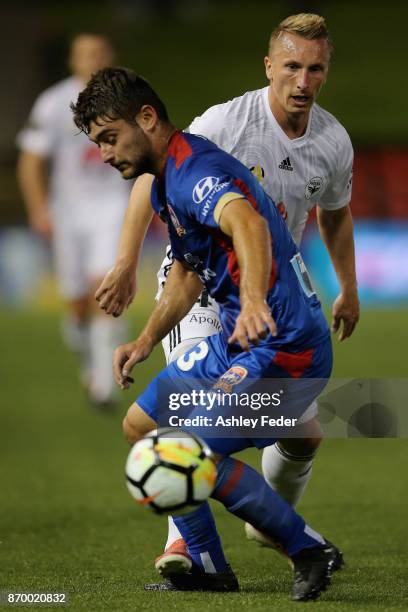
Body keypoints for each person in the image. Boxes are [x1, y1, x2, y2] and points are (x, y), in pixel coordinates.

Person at [94, 12, 359, 562]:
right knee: (184, 424)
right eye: (291, 66)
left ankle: (271, 525)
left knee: (303, 436)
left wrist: (347, 285)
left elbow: (334, 214)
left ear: (326, 71)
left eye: (315, 69)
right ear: (269, 66)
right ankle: (185, 546)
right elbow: (154, 173)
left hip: (270, 293)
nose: (303, 82)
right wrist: (125, 262)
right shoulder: (226, 124)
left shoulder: (333, 141)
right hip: (205, 286)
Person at [16, 33, 131, 407]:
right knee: (77, 305)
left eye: (99, 53)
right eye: (85, 54)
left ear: (110, 56)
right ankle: (90, 364)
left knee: (104, 288)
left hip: (113, 206)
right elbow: (31, 160)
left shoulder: (129, 99)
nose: (93, 60)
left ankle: (103, 385)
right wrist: (38, 209)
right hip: (67, 212)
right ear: (73, 61)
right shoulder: (52, 103)